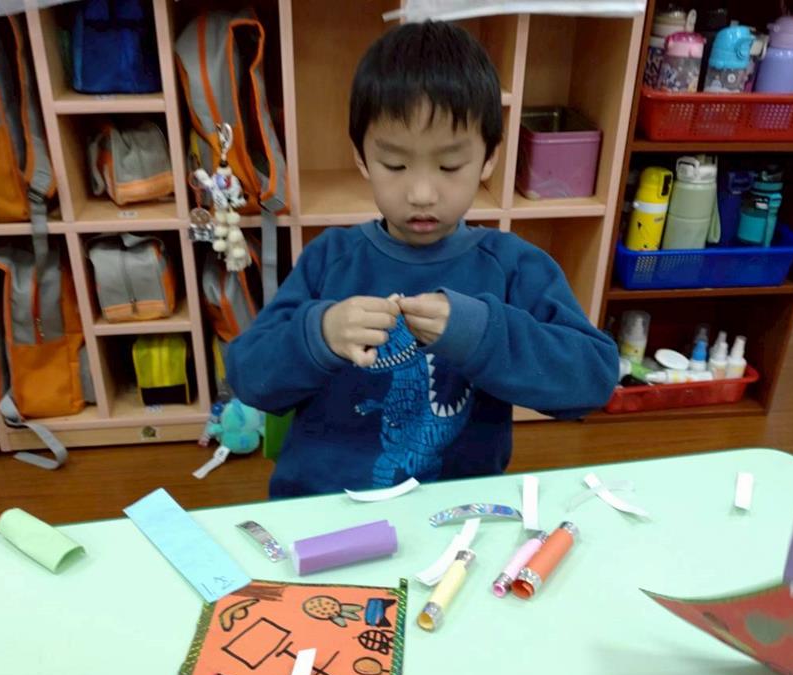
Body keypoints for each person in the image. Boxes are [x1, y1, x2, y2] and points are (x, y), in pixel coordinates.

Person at [227, 20, 618, 497]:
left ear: (489, 158)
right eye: (395, 164)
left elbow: (592, 380)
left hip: (454, 513)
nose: (421, 193)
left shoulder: (513, 267)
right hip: (324, 506)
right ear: (361, 158)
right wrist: (319, 334)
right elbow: (248, 377)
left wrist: (481, 333)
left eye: (450, 165)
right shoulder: (329, 258)